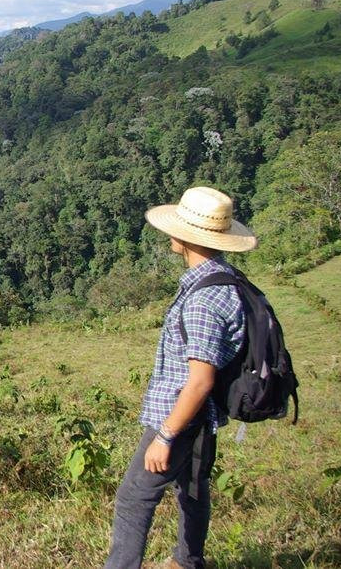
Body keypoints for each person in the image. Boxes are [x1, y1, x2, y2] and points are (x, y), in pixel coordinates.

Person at [104, 186, 258, 569]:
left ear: (185, 237)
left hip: (181, 415)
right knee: (192, 488)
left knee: (133, 499)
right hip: (203, 415)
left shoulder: (204, 300)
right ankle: (188, 561)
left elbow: (200, 380)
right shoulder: (224, 279)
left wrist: (166, 435)